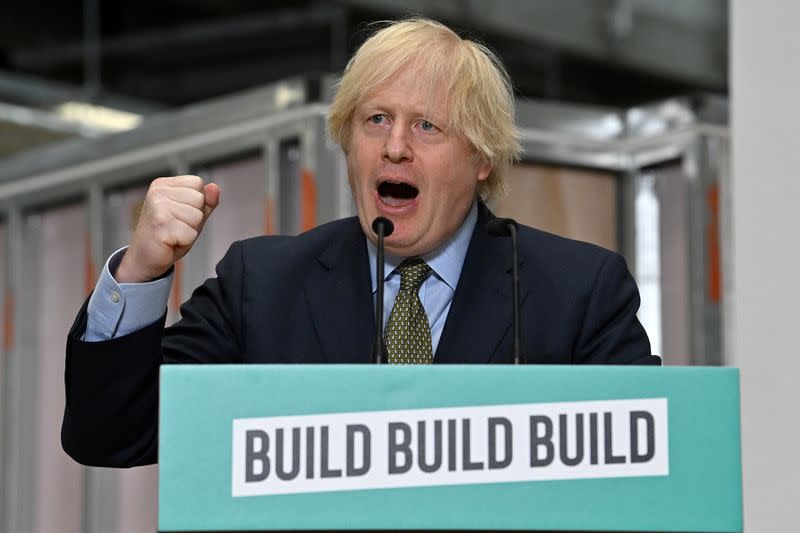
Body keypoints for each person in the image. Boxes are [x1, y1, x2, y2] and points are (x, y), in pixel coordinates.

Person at [62, 18, 658, 467]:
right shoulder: (262, 285)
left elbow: (644, 468)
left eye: (426, 126)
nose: (395, 147)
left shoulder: (577, 291)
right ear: (348, 142)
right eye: (375, 120)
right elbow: (112, 434)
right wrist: (141, 270)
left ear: (480, 156)